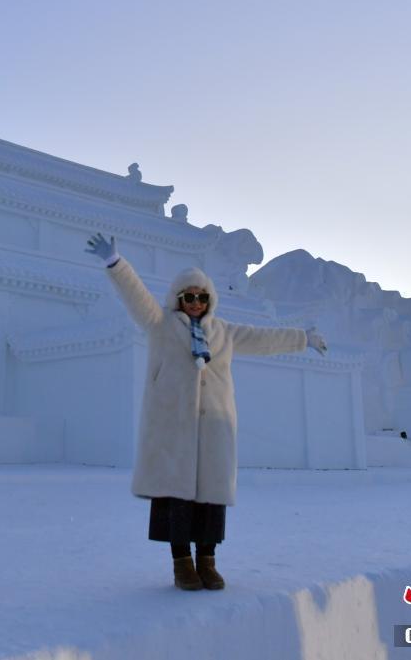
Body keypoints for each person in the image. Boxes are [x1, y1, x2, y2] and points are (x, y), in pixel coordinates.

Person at [85, 233, 327, 591]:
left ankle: (208, 561)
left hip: (214, 428)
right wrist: (115, 264)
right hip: (174, 428)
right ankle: (182, 563)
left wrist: (302, 338)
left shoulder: (224, 332)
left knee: (210, 500)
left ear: (209, 299)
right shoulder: (161, 325)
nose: (195, 302)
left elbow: (264, 340)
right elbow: (136, 298)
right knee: (176, 498)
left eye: (201, 296)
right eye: (189, 297)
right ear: (178, 299)